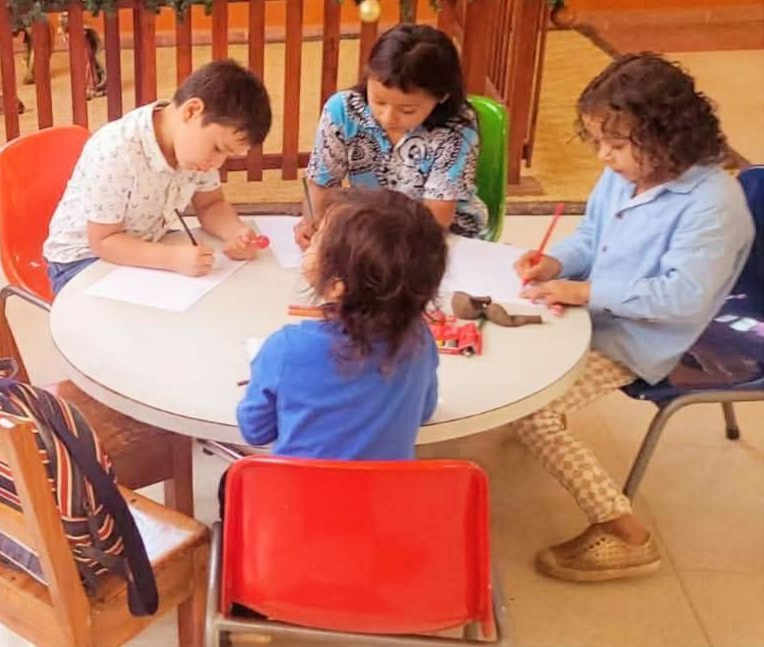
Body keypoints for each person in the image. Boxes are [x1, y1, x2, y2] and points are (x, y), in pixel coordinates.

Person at [512, 53, 755, 582]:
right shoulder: (626, 177)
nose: (603, 156)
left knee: (535, 415)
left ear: (670, 137)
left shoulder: (714, 204)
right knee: (505, 349)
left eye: (617, 145)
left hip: (639, 340)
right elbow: (593, 238)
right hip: (595, 314)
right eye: (598, 141)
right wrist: (557, 261)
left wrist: (584, 290)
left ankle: (626, 534)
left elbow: (681, 299)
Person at [237, 188, 447, 459]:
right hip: (385, 499)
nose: (309, 242)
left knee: (228, 483)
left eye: (317, 240)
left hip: (299, 499)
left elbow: (255, 431)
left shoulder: (285, 349)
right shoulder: (420, 337)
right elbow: (424, 411)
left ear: (338, 285)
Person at [43, 59, 272, 293]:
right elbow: (104, 241)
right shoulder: (118, 149)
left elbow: (211, 204)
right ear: (192, 111)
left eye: (227, 156)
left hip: (143, 245)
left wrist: (234, 232)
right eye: (218, 148)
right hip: (81, 262)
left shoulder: (195, 153)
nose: (217, 162)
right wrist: (171, 258)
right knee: (153, 320)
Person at [295, 24, 488, 249]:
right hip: (367, 227)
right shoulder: (343, 110)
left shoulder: (456, 130)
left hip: (438, 237)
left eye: (407, 110)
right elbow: (321, 183)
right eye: (378, 100)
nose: (388, 118)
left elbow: (437, 220)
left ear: (442, 96)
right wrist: (315, 224)